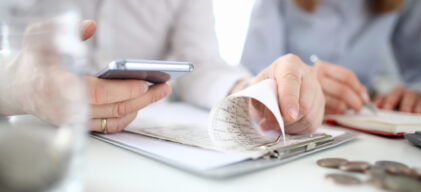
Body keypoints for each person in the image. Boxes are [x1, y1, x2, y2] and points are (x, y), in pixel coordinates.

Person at [0, 0, 326, 135]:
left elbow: (202, 66)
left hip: (135, 151)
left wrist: (257, 96)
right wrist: (13, 86)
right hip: (23, 139)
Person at [241, 0, 421, 115]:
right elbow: (251, 77)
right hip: (295, 121)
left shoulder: (408, 4)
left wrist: (419, 93)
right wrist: (291, 87)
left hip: (364, 123)